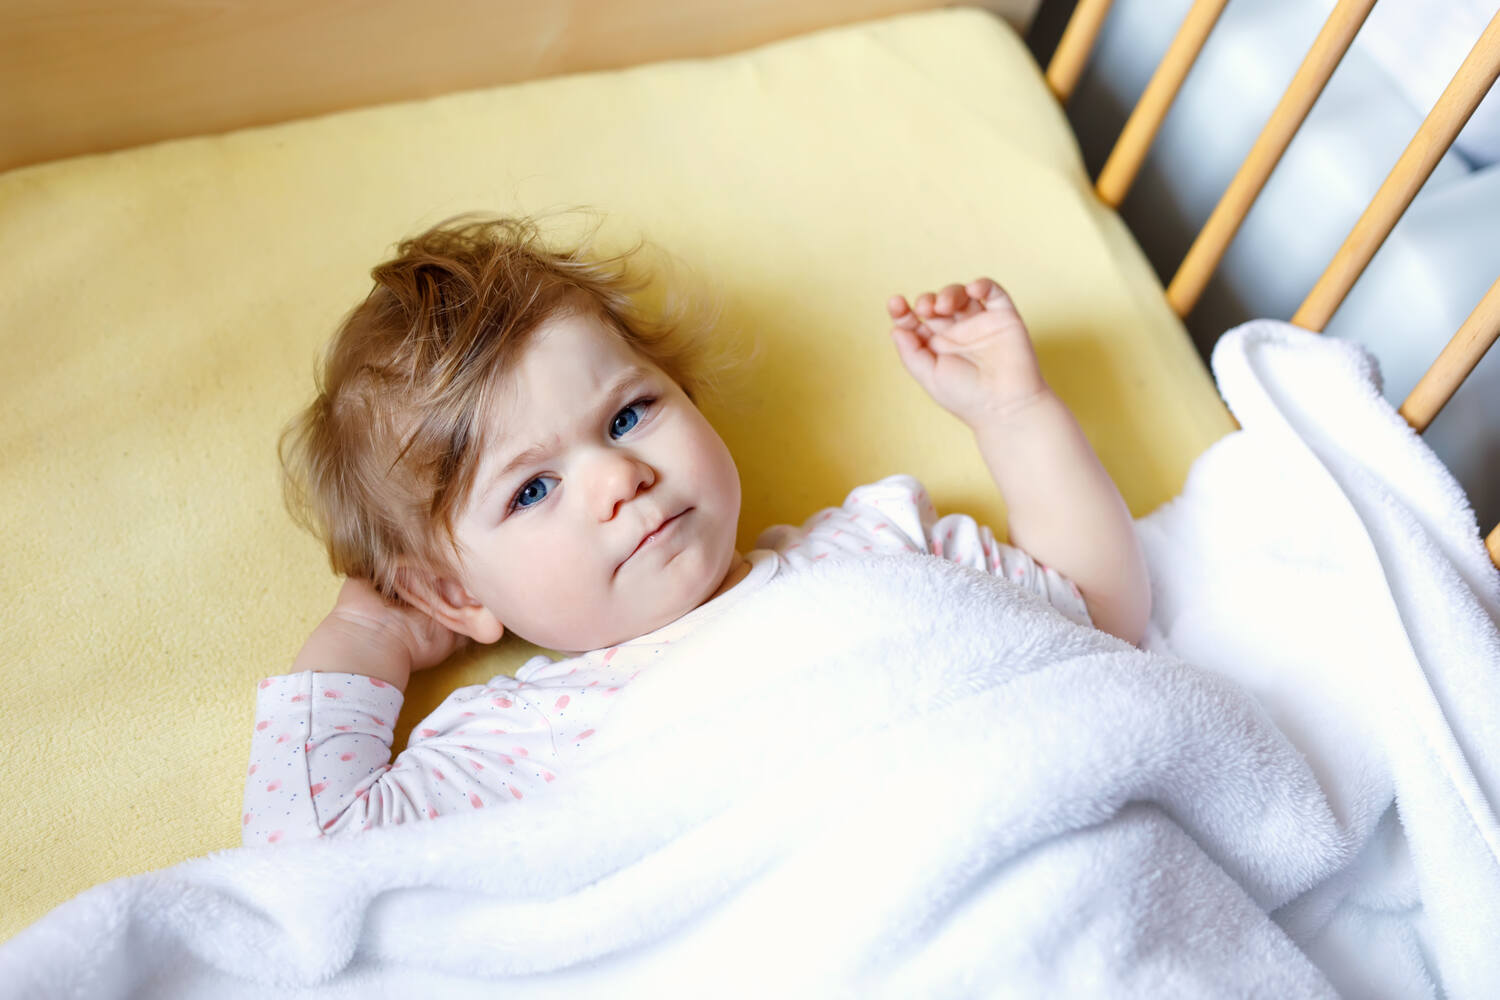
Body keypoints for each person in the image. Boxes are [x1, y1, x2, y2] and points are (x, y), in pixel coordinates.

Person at [242, 216, 1149, 845]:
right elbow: (314, 861)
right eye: (532, 491)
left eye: (630, 415)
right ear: (457, 592)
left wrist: (1015, 414)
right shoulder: (523, 737)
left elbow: (1093, 616)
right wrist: (367, 635)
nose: (617, 478)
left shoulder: (873, 549)